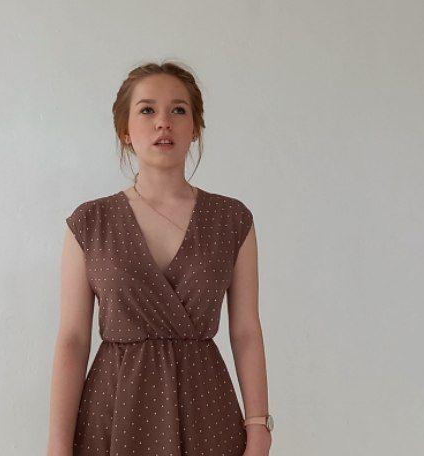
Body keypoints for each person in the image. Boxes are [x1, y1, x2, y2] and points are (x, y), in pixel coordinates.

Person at [47, 61, 272, 456]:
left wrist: (259, 427)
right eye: (147, 110)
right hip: (113, 411)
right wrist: (58, 443)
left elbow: (246, 331)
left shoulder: (232, 220)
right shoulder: (90, 222)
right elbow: (73, 340)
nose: (163, 122)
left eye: (178, 110)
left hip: (207, 411)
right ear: (125, 129)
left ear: (195, 128)